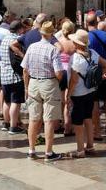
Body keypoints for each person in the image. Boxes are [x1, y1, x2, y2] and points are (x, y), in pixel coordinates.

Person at [21, 21, 64, 161]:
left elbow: (25, 69)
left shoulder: (32, 47)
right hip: (49, 83)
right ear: (51, 34)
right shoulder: (53, 50)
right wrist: (60, 78)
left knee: (34, 118)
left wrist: (26, 87)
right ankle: (48, 152)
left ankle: (31, 150)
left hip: (33, 82)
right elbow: (58, 73)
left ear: (41, 33)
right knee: (49, 119)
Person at [68, 29, 106, 158]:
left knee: (78, 123)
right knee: (88, 119)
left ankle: (80, 150)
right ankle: (90, 146)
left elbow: (74, 80)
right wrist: (103, 76)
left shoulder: (76, 58)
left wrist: (68, 94)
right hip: (91, 91)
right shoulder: (93, 53)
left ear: (77, 43)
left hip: (78, 93)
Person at [87, 14, 106, 140]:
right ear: (97, 21)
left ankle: (97, 131)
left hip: (92, 73)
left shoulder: (85, 37)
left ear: (86, 23)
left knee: (94, 102)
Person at [0, 20, 26, 135]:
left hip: (4, 74)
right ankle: (13, 126)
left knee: (7, 101)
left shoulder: (5, 38)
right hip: (14, 75)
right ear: (19, 29)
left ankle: (6, 123)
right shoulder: (15, 40)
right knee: (16, 102)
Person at [54, 20, 77, 135]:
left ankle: (58, 125)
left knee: (60, 100)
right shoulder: (74, 43)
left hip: (59, 71)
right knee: (68, 101)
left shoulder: (57, 42)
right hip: (69, 70)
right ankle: (68, 127)